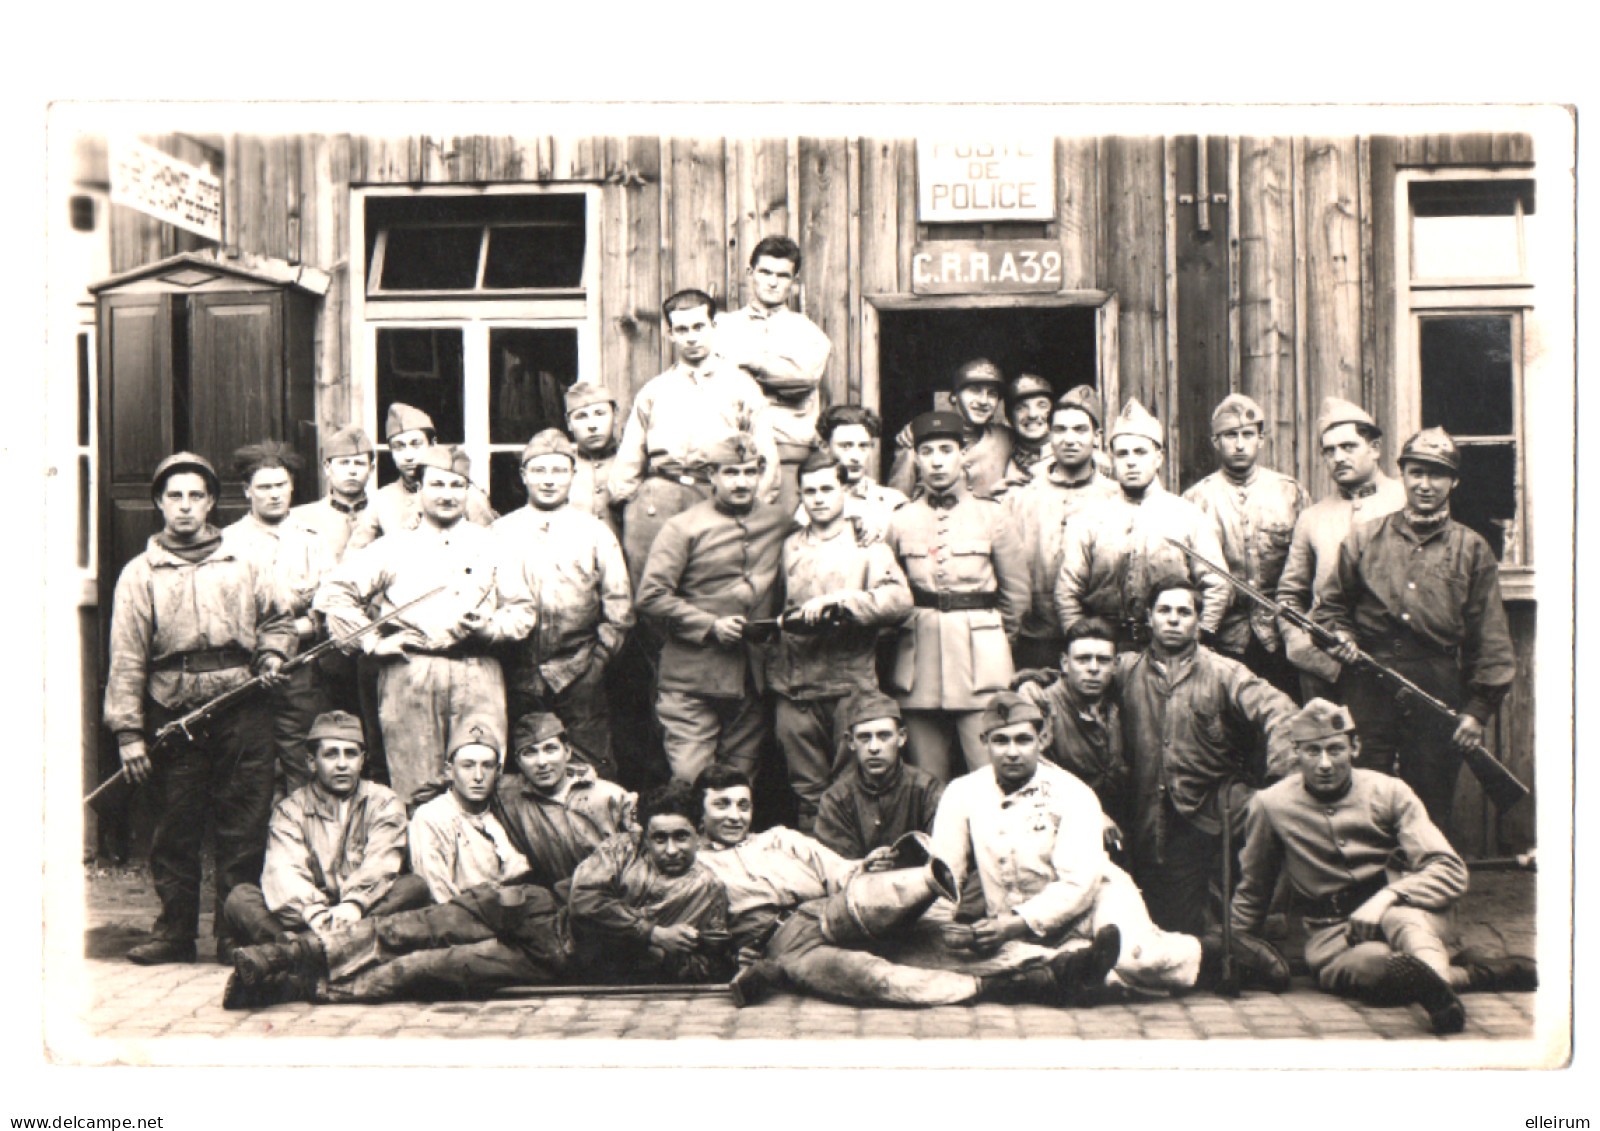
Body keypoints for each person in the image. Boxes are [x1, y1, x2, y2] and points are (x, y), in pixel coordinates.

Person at [928, 692, 1284, 998]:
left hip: (1096, 900)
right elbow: (944, 872)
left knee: (1136, 958)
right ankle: (1092, 972)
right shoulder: (962, 792)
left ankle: (1222, 950)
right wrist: (946, 927)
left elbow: (1078, 885)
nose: (1012, 752)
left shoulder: (1072, 793)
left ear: (1042, 739)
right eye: (1000, 741)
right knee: (1022, 967)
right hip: (1016, 920)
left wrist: (1013, 926)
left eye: (1023, 740)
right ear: (983, 742)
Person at [1231, 699, 1536, 1034]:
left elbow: (1449, 869)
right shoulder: (1270, 804)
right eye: (1312, 751)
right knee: (1374, 967)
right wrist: (1235, 949)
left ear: (1355, 748)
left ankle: (1443, 1001)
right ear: (1295, 753)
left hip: (1407, 911)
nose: (1324, 764)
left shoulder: (1389, 791)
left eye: (1335, 750)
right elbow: (1254, 887)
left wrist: (1386, 898)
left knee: (1404, 922)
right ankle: (1470, 975)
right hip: (1335, 932)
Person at [104, 452, 295, 965]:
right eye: (174, 497)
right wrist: (128, 733)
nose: (185, 507)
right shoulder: (139, 575)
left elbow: (279, 620)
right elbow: (125, 658)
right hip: (173, 711)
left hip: (243, 706)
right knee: (175, 827)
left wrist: (273, 654)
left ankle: (234, 934)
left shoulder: (245, 562)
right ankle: (174, 932)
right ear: (159, 504)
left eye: (195, 496)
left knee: (243, 824)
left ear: (212, 502)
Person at [693, 767, 1094, 1009]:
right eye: (722, 805)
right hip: (785, 945)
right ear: (701, 810)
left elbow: (840, 871)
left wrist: (868, 865)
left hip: (828, 912)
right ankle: (1020, 985)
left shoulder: (780, 838)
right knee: (873, 978)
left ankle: (1080, 966)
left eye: (743, 805)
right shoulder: (694, 865)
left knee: (944, 941)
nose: (735, 816)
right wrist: (737, 952)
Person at [1315, 428, 1516, 831]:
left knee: (1430, 805)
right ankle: (1369, 891)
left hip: (1436, 688)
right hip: (1367, 682)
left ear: (1454, 481)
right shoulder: (1363, 539)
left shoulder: (1473, 550)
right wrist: (1343, 638)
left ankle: (1426, 890)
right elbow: (1330, 609)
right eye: (1416, 472)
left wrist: (1477, 711)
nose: (1425, 484)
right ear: (1402, 474)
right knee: (1363, 796)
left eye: (1437, 475)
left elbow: (1490, 640)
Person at [314, 446, 533, 804]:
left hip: (478, 671)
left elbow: (523, 611)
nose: (447, 494)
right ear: (419, 490)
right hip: (410, 672)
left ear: (469, 491)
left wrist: (490, 628)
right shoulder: (394, 546)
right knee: (415, 786)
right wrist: (370, 641)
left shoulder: (493, 545)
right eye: (438, 484)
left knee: (479, 782)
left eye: (457, 485)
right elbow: (334, 592)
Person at [1115, 580, 1298, 937]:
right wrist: (1031, 686)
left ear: (1198, 621)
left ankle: (1266, 924)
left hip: (1211, 810)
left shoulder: (1223, 672)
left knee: (1271, 814)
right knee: (1176, 924)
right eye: (1164, 611)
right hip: (1149, 820)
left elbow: (1280, 710)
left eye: (1184, 612)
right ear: (1149, 618)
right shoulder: (1125, 670)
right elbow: (1067, 684)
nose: (1173, 620)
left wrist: (1280, 781)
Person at [635, 433, 792, 784]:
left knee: (738, 790)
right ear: (711, 475)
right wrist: (709, 625)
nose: (741, 482)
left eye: (750, 472)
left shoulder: (779, 522)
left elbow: (816, 539)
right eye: (731, 473)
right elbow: (650, 597)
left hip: (751, 680)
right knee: (692, 785)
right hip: (691, 682)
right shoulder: (682, 528)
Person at [883, 411, 1029, 782]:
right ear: (915, 458)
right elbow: (890, 590)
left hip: (982, 667)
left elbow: (1016, 595)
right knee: (927, 780)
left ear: (962, 455)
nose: (936, 460)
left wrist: (993, 641)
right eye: (927, 451)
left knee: (991, 775)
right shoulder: (900, 520)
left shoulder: (992, 516)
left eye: (946, 450)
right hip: (918, 670)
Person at [770, 450, 913, 830]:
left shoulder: (868, 546)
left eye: (827, 489)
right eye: (809, 491)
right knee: (807, 794)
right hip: (797, 689)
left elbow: (899, 601)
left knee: (856, 789)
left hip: (850, 689)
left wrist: (842, 603)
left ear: (844, 491)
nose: (818, 498)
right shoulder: (788, 547)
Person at [608, 289, 781, 586]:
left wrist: (750, 508)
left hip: (715, 496)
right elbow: (630, 457)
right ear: (670, 335)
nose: (691, 337)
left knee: (712, 588)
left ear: (714, 326)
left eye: (699, 327)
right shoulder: (654, 391)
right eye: (681, 330)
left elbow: (765, 455)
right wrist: (630, 501)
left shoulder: (742, 386)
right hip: (658, 499)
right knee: (653, 591)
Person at [220, 711, 430, 946]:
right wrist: (316, 914)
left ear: (362, 760)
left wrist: (354, 905)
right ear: (312, 762)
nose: (342, 764)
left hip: (362, 911)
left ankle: (302, 950)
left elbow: (381, 862)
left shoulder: (384, 802)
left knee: (413, 887)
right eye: (331, 754)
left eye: (350, 754)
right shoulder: (290, 810)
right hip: (309, 917)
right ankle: (335, 947)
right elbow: (284, 870)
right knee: (240, 898)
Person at [494, 428, 633, 781]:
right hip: (518, 673)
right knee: (520, 771)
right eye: (539, 471)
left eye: (558, 470)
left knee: (591, 769)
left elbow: (619, 605)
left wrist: (598, 662)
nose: (549, 480)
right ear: (524, 475)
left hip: (579, 670)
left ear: (573, 474)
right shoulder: (500, 532)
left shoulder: (595, 532)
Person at [1055, 398, 1231, 651]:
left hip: (1171, 645)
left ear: (1158, 458)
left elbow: (1216, 584)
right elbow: (1067, 591)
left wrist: (1197, 637)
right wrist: (1083, 643)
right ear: (1112, 459)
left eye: (1140, 452)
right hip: (1106, 648)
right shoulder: (1088, 518)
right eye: (1122, 453)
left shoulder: (1187, 516)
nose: (1131, 462)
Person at [222, 441, 338, 795]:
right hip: (245, 668)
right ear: (247, 492)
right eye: (264, 487)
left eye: (281, 485)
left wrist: (308, 626)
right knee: (247, 768)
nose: (274, 495)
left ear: (292, 487)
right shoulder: (227, 543)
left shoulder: (314, 542)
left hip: (301, 668)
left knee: (301, 761)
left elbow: (332, 602)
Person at [1276, 397, 1407, 701]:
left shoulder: (1405, 502)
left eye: (1348, 447)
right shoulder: (1313, 518)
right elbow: (1289, 596)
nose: (1338, 457)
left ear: (1374, 449)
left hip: (1395, 670)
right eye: (1329, 450)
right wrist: (1303, 650)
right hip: (1326, 671)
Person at [1181, 394, 1309, 696]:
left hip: (1280, 638)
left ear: (1261, 439)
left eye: (1247, 434)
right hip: (1223, 638)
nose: (1239, 444)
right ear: (1216, 441)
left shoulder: (1290, 494)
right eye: (1229, 435)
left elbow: (1308, 569)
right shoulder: (1195, 500)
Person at [1000, 385, 1121, 670]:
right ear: (1049, 436)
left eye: (1080, 430)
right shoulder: (1020, 498)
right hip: (1033, 641)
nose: (1069, 439)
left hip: (1096, 645)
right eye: (1060, 430)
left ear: (1097, 437)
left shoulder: (1115, 497)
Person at [568, 782, 733, 984]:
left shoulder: (709, 889)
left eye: (681, 837)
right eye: (660, 839)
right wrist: (653, 934)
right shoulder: (620, 849)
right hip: (564, 952)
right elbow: (584, 901)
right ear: (644, 838)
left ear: (699, 833)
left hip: (635, 982)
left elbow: (712, 966)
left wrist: (664, 957)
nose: (671, 850)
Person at [715, 235, 834, 515]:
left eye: (782, 275)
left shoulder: (808, 332)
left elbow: (802, 377)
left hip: (787, 455)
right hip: (732, 455)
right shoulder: (722, 326)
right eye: (765, 272)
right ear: (750, 273)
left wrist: (749, 360)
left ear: (794, 281)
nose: (772, 282)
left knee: (782, 538)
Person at [1011, 617, 1132, 835]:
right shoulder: (1042, 706)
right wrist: (1091, 814)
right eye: (1083, 659)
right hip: (1057, 831)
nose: (1093, 668)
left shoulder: (1119, 703)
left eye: (1103, 660)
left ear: (1115, 666)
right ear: (1065, 663)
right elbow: (1036, 777)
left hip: (1118, 829)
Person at [491, 712, 637, 893]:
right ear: (518, 761)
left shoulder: (609, 796)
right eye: (529, 753)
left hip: (614, 897)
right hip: (557, 901)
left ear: (567, 752)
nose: (542, 762)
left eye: (550, 749)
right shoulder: (508, 798)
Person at [345, 403, 496, 554]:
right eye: (399, 447)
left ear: (432, 444)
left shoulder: (466, 494)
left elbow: (491, 550)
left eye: (416, 444)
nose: (408, 456)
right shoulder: (382, 499)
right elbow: (353, 559)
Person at [813, 691, 945, 860]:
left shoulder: (928, 790)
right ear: (850, 742)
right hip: (859, 884)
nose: (874, 747)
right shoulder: (836, 800)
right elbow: (835, 867)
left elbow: (944, 857)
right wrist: (864, 865)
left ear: (901, 737)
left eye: (884, 736)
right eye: (864, 737)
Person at [408, 726, 532, 903]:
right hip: (457, 916)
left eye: (487, 766)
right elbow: (438, 895)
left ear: (498, 772)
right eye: (468, 766)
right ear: (449, 771)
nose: (478, 776)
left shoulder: (503, 811)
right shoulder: (431, 817)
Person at [888, 359, 1015, 501]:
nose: (983, 401)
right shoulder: (919, 436)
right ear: (954, 396)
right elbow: (895, 501)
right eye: (974, 390)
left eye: (992, 393)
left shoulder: (1006, 438)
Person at [803, 404, 908, 539]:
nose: (855, 456)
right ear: (825, 448)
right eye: (845, 446)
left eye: (863, 446)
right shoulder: (814, 502)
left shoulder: (893, 502)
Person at [290, 424, 376, 563]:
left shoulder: (384, 513)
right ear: (327, 468)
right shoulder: (300, 519)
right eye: (344, 463)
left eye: (359, 463)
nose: (352, 470)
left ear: (371, 469)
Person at [562, 381, 623, 539]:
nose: (592, 425)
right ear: (569, 424)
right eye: (581, 416)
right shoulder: (562, 468)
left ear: (615, 415)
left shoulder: (633, 462)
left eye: (600, 413)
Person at [1000, 373, 1055, 484]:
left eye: (1042, 405)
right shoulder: (1002, 459)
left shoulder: (1070, 455)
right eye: (1021, 408)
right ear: (1009, 417)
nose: (1032, 414)